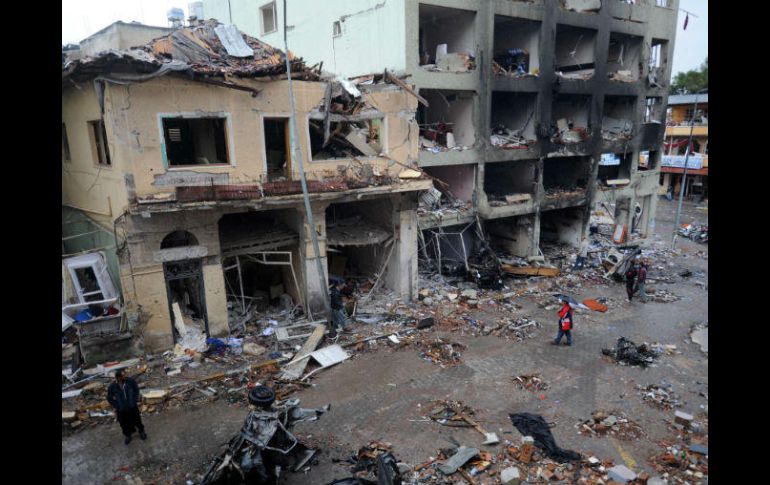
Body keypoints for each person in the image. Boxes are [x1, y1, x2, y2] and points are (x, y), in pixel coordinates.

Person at [107, 369, 146, 444]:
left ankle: (141, 431)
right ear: (118, 377)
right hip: (121, 409)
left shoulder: (130, 381)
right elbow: (109, 398)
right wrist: (117, 405)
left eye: (125, 374)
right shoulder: (112, 386)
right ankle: (128, 435)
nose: (125, 376)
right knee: (124, 423)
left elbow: (136, 390)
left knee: (137, 420)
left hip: (132, 406)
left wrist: (134, 400)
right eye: (123, 375)